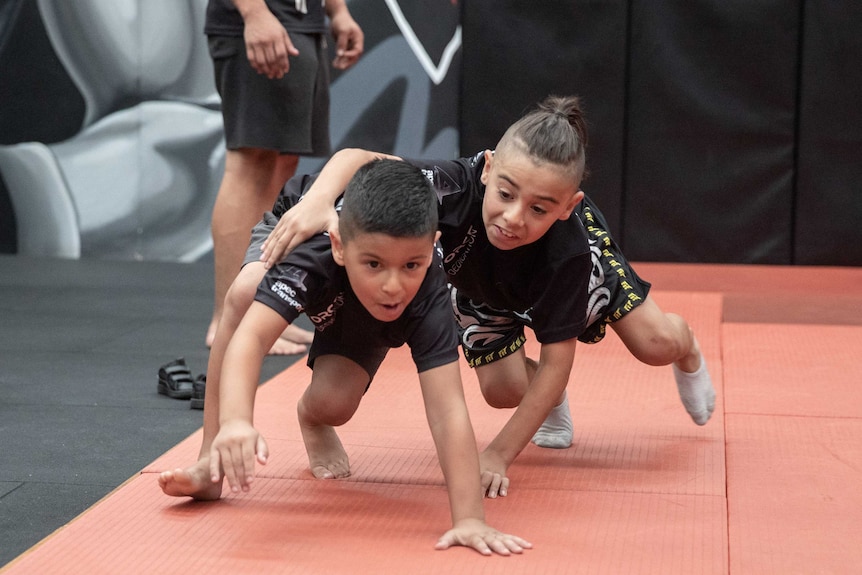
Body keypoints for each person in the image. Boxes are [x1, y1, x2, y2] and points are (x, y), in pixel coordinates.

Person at [259, 95, 717, 499]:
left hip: (557, 275)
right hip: (480, 286)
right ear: (489, 167)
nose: (514, 218)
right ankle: (547, 400)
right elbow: (359, 158)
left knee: (654, 345)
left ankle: (688, 345)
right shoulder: (454, 183)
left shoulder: (569, 254)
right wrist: (316, 201)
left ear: (568, 206)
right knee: (504, 392)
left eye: (538, 208)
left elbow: (559, 359)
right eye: (505, 194)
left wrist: (497, 454)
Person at [159, 159, 531, 556]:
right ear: (339, 245)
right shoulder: (312, 255)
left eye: (411, 265)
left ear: (432, 247)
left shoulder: (426, 290)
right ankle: (208, 463)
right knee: (246, 291)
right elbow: (249, 341)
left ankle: (313, 419)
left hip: (359, 302)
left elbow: (448, 409)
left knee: (334, 404)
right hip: (309, 246)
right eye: (375, 265)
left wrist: (469, 518)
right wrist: (236, 422)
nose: (393, 285)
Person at [204, 0, 364, 354]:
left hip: (302, 20)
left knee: (281, 162)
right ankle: (228, 319)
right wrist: (254, 13)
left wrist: (337, 11)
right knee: (252, 162)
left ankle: (260, 311)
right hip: (263, 17)